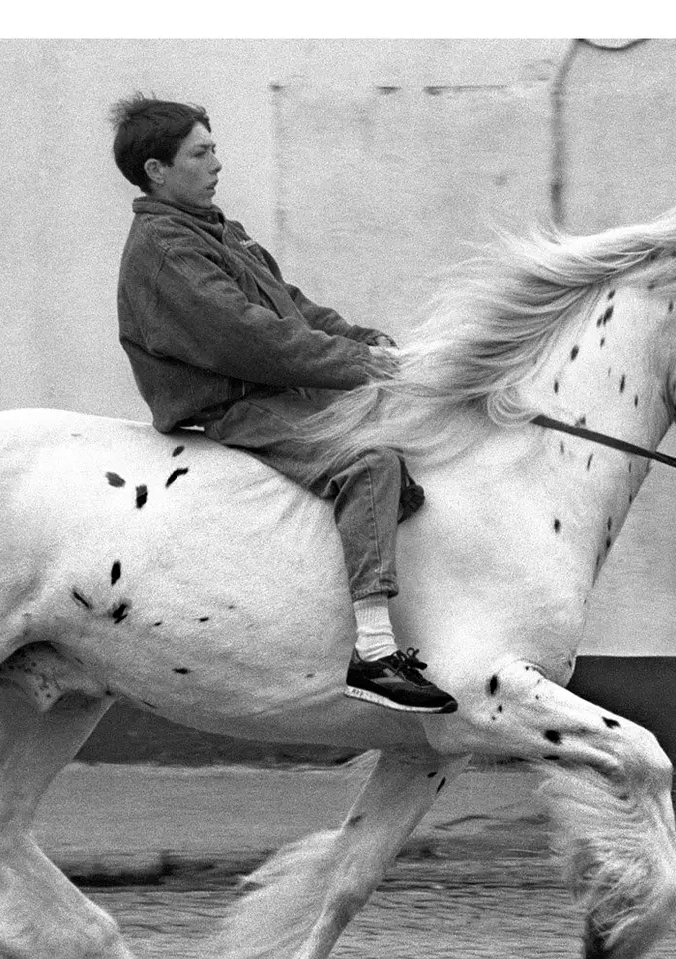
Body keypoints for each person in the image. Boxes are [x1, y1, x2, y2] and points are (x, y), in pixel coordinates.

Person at [111, 95, 457, 715]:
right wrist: (360, 368)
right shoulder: (168, 251)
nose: (217, 161)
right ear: (157, 171)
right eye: (200, 152)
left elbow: (289, 307)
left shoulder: (214, 228)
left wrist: (364, 340)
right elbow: (249, 335)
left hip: (274, 390)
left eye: (214, 147)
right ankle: (374, 655)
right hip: (233, 404)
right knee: (370, 461)